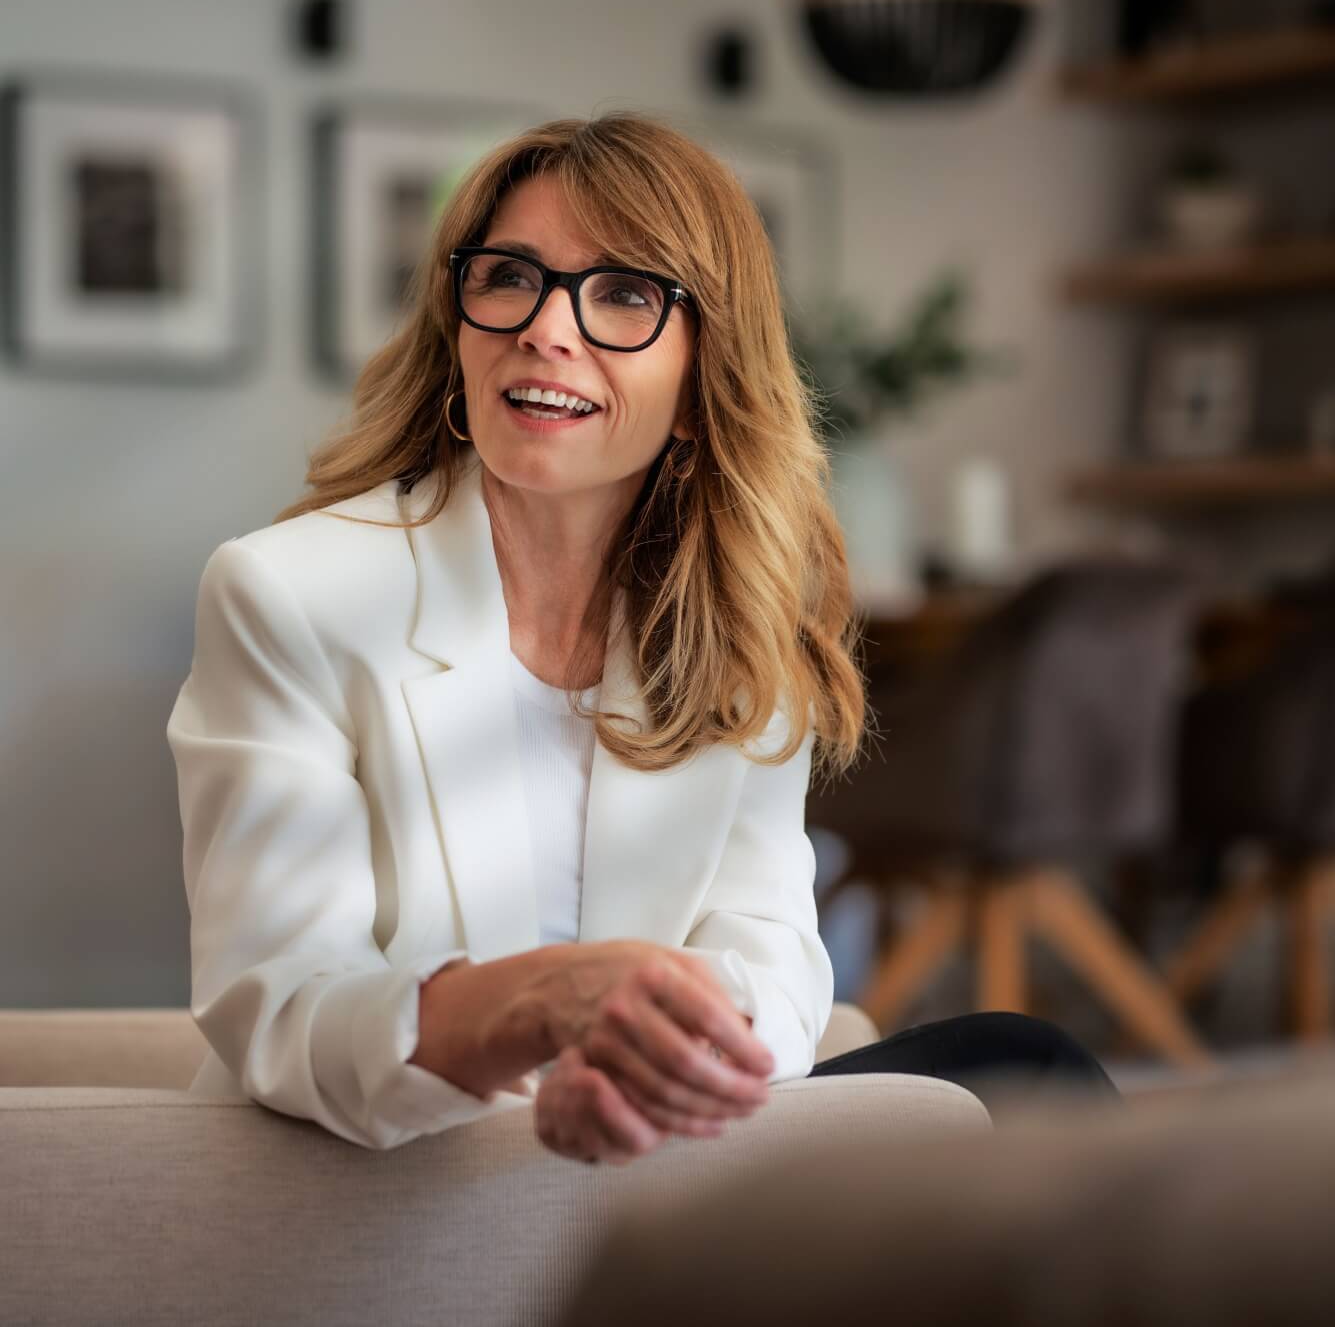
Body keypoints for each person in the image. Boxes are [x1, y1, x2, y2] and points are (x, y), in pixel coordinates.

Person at [166, 111, 1117, 1164]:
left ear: (701, 380)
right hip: (402, 1165)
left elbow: (775, 959)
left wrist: (640, 1070)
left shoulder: (734, 622)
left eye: (623, 294)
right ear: (458, 326)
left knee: (1027, 1071)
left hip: (638, 1147)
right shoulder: (287, 592)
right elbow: (285, 1001)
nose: (547, 327)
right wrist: (539, 1009)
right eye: (509, 277)